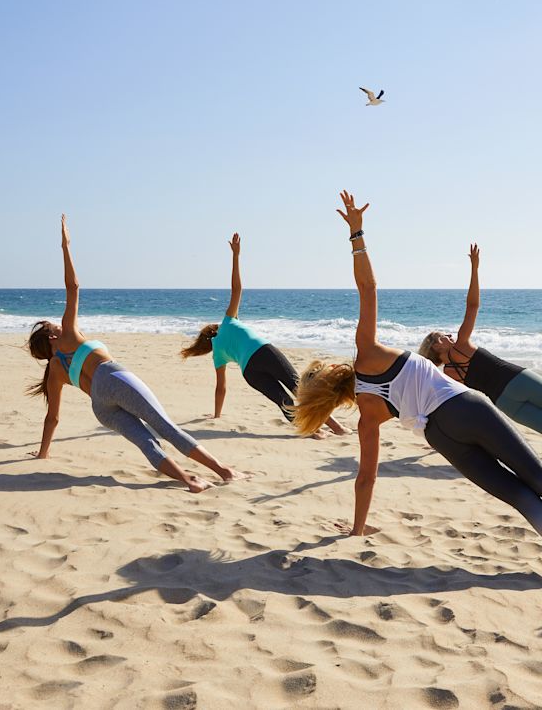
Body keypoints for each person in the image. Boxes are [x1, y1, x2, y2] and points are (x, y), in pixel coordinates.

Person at [290, 191, 542, 537]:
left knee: (521, 497)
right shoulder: (366, 353)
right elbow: (368, 288)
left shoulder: (368, 417)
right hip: (465, 409)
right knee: (536, 478)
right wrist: (357, 235)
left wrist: (357, 529)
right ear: (332, 372)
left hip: (440, 437)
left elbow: (366, 478)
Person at [27, 216, 249, 493]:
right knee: (165, 427)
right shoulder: (69, 336)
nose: (58, 325)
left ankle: (188, 480)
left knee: (147, 443)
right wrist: (66, 247)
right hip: (112, 379)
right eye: (54, 326)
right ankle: (224, 471)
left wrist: (43, 453)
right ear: (51, 337)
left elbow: (53, 418)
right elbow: (73, 287)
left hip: (100, 407)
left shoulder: (55, 371)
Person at [180, 233, 347, 439]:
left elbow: (221, 388)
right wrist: (235, 256)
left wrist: (216, 415)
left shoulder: (217, 355)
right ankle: (337, 428)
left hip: (250, 372)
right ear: (214, 328)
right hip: (264, 352)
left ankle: (313, 432)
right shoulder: (228, 322)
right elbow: (236, 289)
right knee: (300, 389)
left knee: (282, 401)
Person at [418, 245, 542, 434]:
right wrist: (475, 269)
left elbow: (449, 400)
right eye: (444, 336)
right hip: (517, 381)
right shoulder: (460, 345)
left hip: (505, 403)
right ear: (436, 345)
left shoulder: (448, 374)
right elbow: (473, 306)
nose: (450, 335)